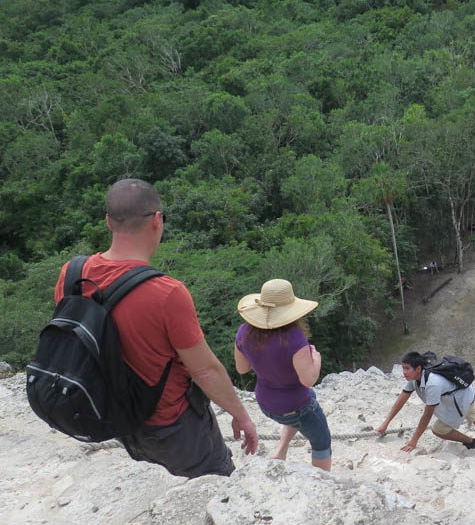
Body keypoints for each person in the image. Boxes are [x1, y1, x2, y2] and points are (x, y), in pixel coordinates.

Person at [52, 179, 258, 478]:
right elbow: (205, 371)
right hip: (171, 425)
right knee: (217, 482)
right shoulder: (166, 293)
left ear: (108, 221)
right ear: (157, 219)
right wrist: (242, 417)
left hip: (114, 416)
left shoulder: (72, 273)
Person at [235, 279, 331, 471]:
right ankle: (322, 483)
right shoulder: (295, 339)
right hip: (296, 406)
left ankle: (280, 451)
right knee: (322, 443)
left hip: (266, 403)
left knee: (303, 407)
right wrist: (316, 358)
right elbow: (308, 380)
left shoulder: (244, 331)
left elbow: (242, 369)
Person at [377, 352, 475, 452]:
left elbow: (427, 415)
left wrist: (414, 441)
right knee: (439, 429)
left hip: (462, 396)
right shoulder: (415, 378)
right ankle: (470, 442)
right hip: (448, 398)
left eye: (407, 368)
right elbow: (401, 399)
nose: (404, 372)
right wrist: (385, 424)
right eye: (403, 368)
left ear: (418, 369)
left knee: (471, 415)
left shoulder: (433, 383)